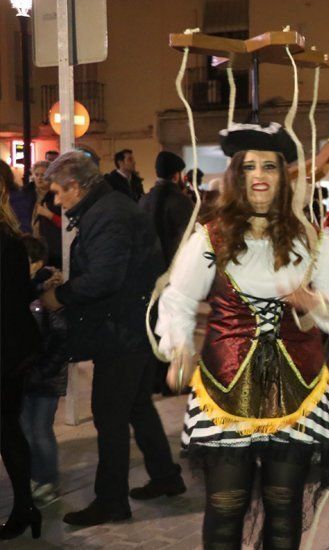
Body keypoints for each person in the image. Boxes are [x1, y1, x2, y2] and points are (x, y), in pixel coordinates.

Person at [155, 122, 329, 548]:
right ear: (235, 175)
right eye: (249, 166)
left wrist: (316, 303)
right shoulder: (209, 239)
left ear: (284, 176)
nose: (260, 174)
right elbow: (177, 300)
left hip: (299, 389)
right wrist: (177, 349)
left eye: (270, 165)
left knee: (284, 508)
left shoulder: (313, 240)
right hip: (224, 388)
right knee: (225, 506)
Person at [40, 152, 185, 526]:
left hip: (121, 331)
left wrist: (62, 295)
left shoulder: (107, 214)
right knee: (136, 406)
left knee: (110, 416)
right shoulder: (109, 207)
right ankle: (166, 477)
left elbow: (106, 276)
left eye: (58, 192)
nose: (56, 201)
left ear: (75, 185)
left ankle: (111, 501)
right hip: (132, 326)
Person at [0, 160, 44, 541]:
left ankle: (24, 506)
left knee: (7, 429)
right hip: (15, 347)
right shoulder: (11, 239)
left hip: (7, 350)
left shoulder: (7, 240)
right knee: (8, 429)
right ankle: (25, 506)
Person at [21, 237, 68, 508]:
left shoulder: (51, 290)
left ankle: (48, 482)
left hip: (47, 376)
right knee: (26, 428)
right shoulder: (25, 290)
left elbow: (61, 337)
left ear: (37, 262)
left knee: (41, 429)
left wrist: (44, 370)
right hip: (28, 373)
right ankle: (34, 478)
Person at [140, 151, 195, 267]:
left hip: (149, 266)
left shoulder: (144, 200)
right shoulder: (182, 201)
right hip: (175, 266)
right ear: (176, 176)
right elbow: (189, 238)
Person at [30, 161, 63, 269]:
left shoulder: (58, 196)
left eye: (43, 175)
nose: (39, 178)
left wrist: (49, 214)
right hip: (32, 246)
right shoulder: (28, 195)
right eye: (37, 175)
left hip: (54, 248)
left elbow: (66, 224)